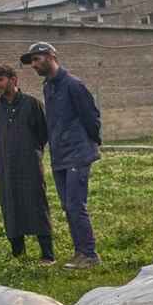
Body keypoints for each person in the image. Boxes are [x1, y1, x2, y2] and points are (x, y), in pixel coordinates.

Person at [21, 42, 102, 270]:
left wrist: (92, 143)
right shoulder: (48, 87)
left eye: (37, 59)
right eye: (32, 62)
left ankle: (90, 254)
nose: (34, 65)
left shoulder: (73, 85)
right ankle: (80, 252)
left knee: (76, 204)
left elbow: (91, 116)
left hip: (77, 153)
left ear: (51, 56)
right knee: (68, 205)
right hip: (60, 156)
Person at [0, 64, 54, 265]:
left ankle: (47, 254)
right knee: (10, 205)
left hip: (30, 165)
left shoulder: (32, 104)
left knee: (36, 204)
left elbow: (44, 134)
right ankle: (18, 254)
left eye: (1, 80)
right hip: (5, 167)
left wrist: (31, 152)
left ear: (14, 80)